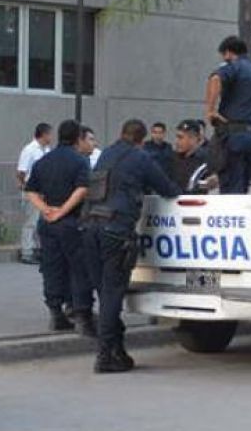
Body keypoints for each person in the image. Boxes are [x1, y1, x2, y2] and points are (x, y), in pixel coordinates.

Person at [81, 119, 182, 373]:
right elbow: (167, 189)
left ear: (121, 133)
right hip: (116, 231)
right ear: (141, 140)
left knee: (104, 293)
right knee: (112, 294)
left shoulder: (106, 154)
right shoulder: (141, 158)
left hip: (90, 228)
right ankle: (105, 355)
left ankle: (117, 349)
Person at [24, 120, 95, 334]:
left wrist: (46, 209)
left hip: (48, 223)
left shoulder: (44, 161)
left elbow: (30, 190)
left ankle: (56, 313)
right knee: (79, 269)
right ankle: (81, 314)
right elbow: (82, 189)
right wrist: (63, 210)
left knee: (52, 267)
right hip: (72, 222)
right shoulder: (80, 161)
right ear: (78, 138)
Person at [204, 36, 251, 194]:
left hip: (234, 136)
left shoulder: (234, 66)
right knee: (242, 187)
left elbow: (215, 78)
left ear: (228, 53)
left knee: (231, 189)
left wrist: (210, 110)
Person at [16, 123, 53, 264]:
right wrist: (26, 186)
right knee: (30, 222)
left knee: (42, 222)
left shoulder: (47, 150)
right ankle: (27, 252)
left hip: (44, 192)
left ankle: (39, 249)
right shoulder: (30, 150)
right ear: (44, 134)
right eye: (50, 134)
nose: (51, 137)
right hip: (32, 191)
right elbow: (21, 171)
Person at [171, 119, 211, 192]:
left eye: (180, 137)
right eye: (177, 137)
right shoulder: (171, 159)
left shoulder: (206, 162)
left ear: (193, 139)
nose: (176, 142)